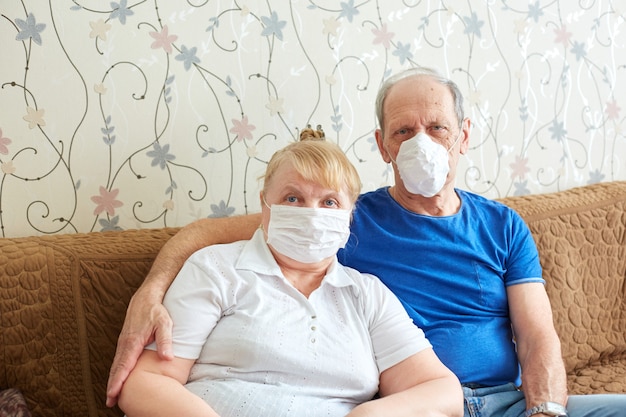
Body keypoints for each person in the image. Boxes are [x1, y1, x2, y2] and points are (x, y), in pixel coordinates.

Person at [108, 68, 626, 417]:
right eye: (403, 131)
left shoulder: (503, 226)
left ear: (463, 136)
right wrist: (150, 290)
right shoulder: (348, 220)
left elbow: (538, 339)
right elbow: (211, 235)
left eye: (437, 127)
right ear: (381, 145)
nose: (421, 142)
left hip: (504, 402)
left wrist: (545, 411)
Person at [117, 137, 463, 417]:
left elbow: (441, 390)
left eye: (329, 202)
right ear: (264, 205)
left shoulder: (367, 294)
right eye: (293, 197)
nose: (310, 214)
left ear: (350, 215)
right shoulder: (217, 269)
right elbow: (146, 383)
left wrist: (369, 415)